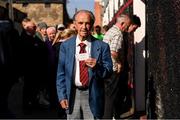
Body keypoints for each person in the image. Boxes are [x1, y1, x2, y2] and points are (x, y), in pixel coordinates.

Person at [56, 10, 113, 119]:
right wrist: (62, 95)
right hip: (72, 94)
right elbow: (61, 73)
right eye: (81, 23)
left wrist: (97, 67)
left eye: (87, 23)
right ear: (75, 24)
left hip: (93, 94)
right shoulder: (66, 46)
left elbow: (109, 72)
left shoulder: (102, 46)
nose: (84, 27)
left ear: (92, 24)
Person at [103, 14, 131, 119]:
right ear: (122, 23)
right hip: (113, 69)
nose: (127, 28)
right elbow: (113, 52)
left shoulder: (110, 31)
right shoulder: (118, 34)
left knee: (107, 96)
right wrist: (119, 62)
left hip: (106, 67)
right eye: (127, 26)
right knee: (111, 97)